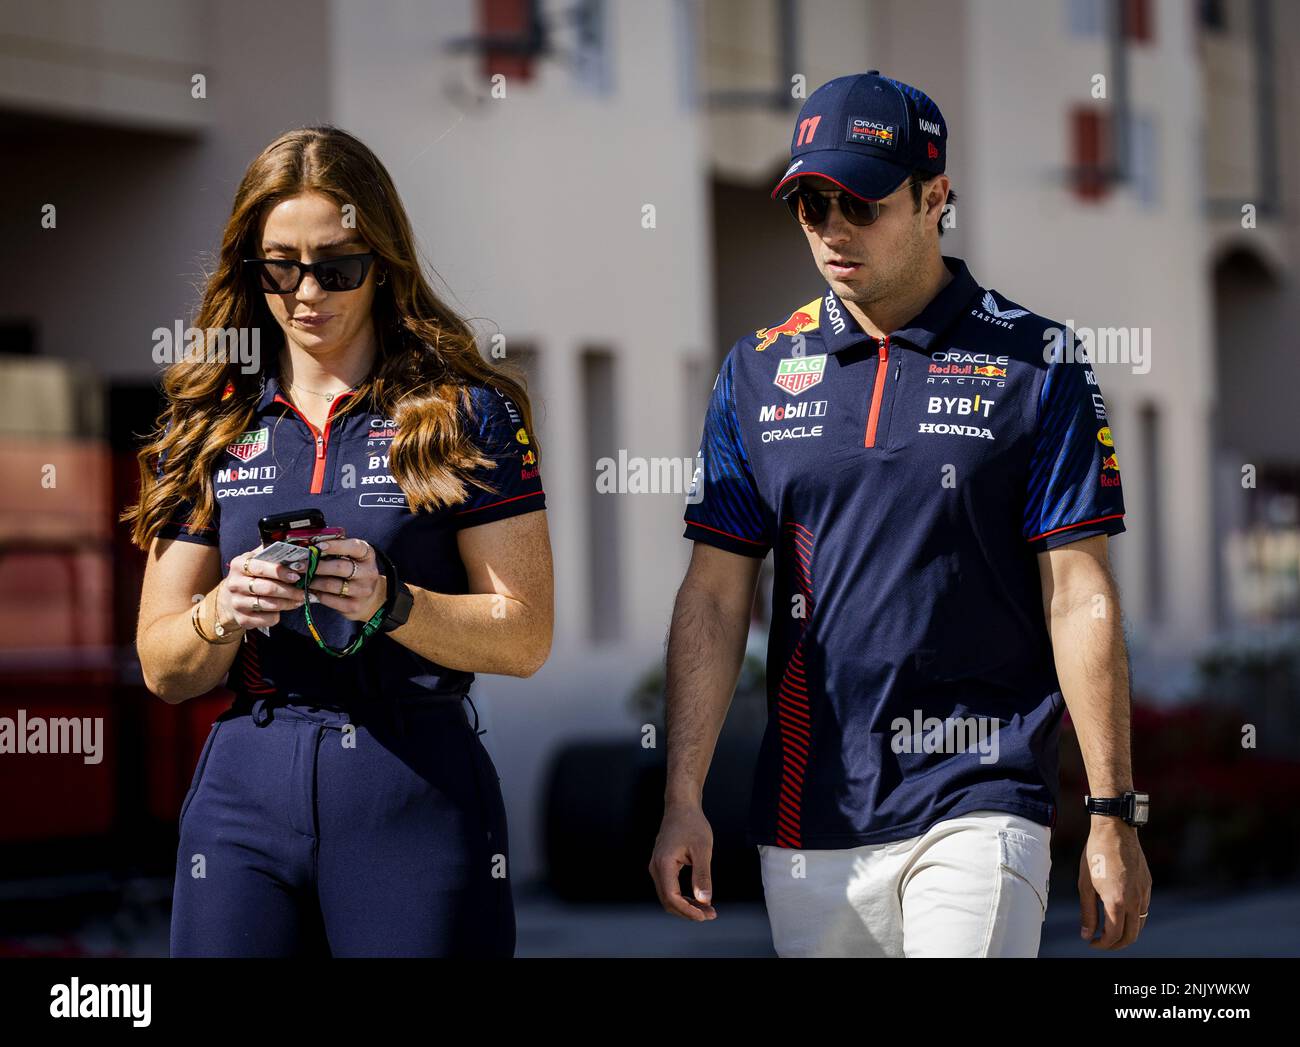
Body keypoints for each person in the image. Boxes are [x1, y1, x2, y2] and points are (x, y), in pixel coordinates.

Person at [649, 72, 1152, 957]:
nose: (833, 227)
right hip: (809, 811)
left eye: (859, 201)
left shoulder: (1039, 361)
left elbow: (1078, 595)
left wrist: (1111, 814)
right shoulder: (755, 369)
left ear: (935, 198)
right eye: (809, 203)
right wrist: (682, 794)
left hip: (979, 794)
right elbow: (716, 597)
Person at [125, 125, 552, 957]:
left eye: (337, 265)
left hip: (410, 775)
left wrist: (394, 601)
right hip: (246, 776)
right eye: (279, 265)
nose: (306, 290)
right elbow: (160, 663)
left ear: (382, 264)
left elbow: (526, 632)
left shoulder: (466, 411)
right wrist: (222, 609)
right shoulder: (211, 421)